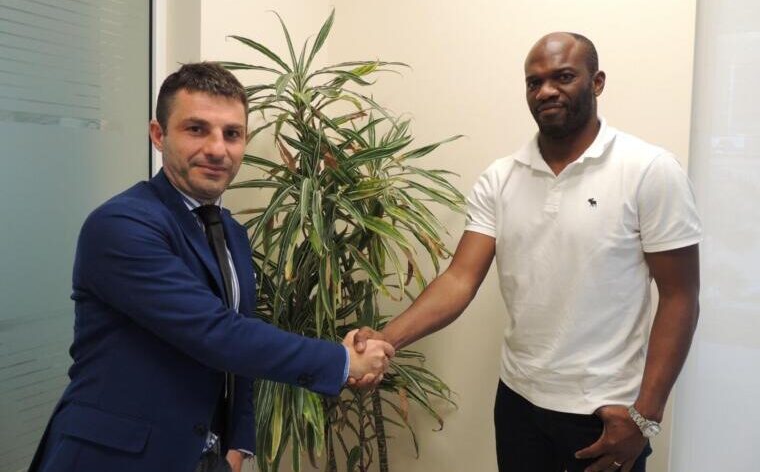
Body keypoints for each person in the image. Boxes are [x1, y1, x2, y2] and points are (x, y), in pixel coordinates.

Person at [353, 32, 701, 472]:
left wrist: (645, 414)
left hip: (604, 412)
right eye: (534, 82)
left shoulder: (649, 170)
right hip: (518, 401)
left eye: (563, 77)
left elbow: (680, 296)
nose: (546, 90)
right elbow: (459, 279)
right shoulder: (501, 177)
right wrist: (385, 340)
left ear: (597, 82)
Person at [28, 62, 393, 472]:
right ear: (158, 135)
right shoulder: (120, 225)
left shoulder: (230, 232)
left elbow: (239, 337)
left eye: (232, 134)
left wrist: (238, 445)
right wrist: (341, 362)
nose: (218, 149)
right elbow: (216, 333)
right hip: (113, 459)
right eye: (197, 129)